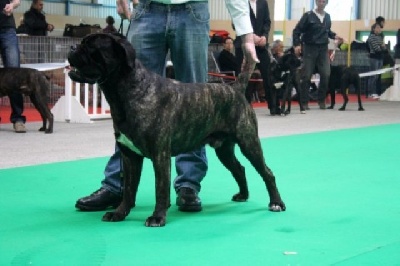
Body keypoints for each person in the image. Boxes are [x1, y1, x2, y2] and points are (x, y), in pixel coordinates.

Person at [75, 0, 258, 213]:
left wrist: (246, 33)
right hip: (145, 9)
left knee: (198, 107)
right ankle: (117, 186)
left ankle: (188, 184)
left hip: (192, 11)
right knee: (129, 99)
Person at [292, 0, 342, 112]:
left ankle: (321, 100)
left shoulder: (328, 17)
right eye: (319, 1)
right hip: (309, 48)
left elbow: (327, 31)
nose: (321, 3)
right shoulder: (308, 16)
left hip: (323, 48)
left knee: (326, 74)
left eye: (324, 1)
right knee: (306, 75)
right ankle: (304, 102)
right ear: (316, 2)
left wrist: (335, 36)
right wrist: (296, 45)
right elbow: (296, 31)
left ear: (326, 3)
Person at [234, 0, 276, 115]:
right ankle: (243, 108)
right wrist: (250, 36)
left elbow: (267, 21)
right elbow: (235, 23)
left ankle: (273, 106)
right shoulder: (240, 3)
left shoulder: (263, 2)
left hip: (261, 46)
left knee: (268, 75)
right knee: (243, 77)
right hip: (243, 44)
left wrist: (264, 36)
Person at [1, 0, 27, 133]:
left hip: (7, 29)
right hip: (7, 31)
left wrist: (12, 5)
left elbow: (17, 0)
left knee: (15, 76)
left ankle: (18, 119)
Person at [367, 23, 387, 99]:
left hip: (380, 58)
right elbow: (377, 48)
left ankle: (374, 92)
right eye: (377, 28)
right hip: (374, 58)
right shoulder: (371, 37)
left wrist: (382, 47)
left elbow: (384, 48)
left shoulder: (380, 37)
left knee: (377, 76)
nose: (379, 29)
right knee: (373, 76)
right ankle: (370, 92)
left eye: (380, 28)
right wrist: (382, 47)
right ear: (373, 29)